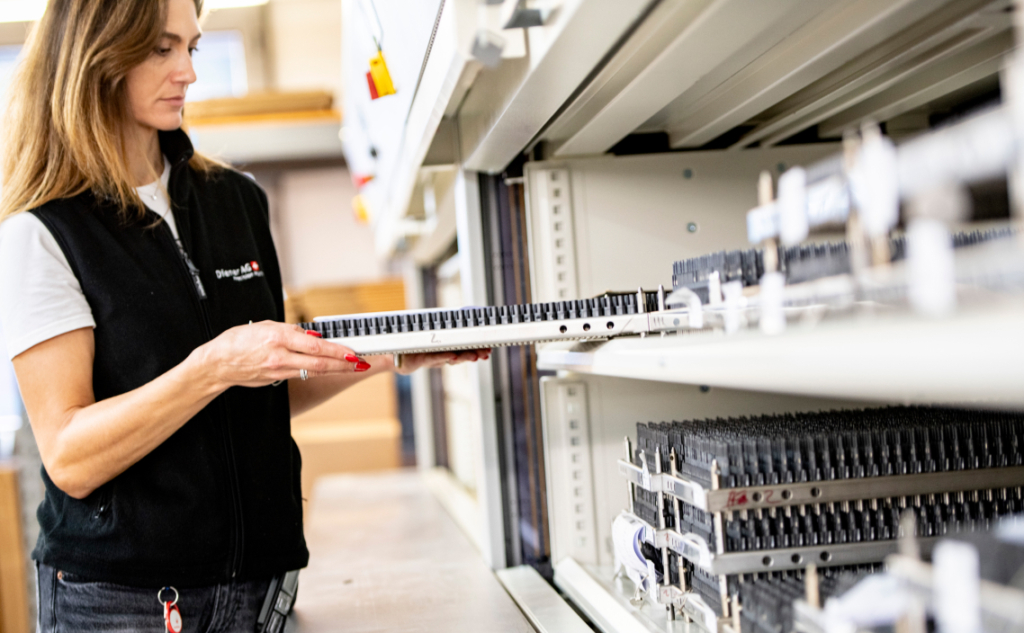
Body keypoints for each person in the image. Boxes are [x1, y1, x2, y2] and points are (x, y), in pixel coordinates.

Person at [0, 0, 489, 630]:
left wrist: (390, 354)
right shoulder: (44, 234)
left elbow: (265, 389)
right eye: (161, 49)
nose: (188, 73)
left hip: (260, 591)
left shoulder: (235, 201)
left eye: (193, 48)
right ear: (95, 55)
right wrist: (213, 367)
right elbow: (70, 456)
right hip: (125, 603)